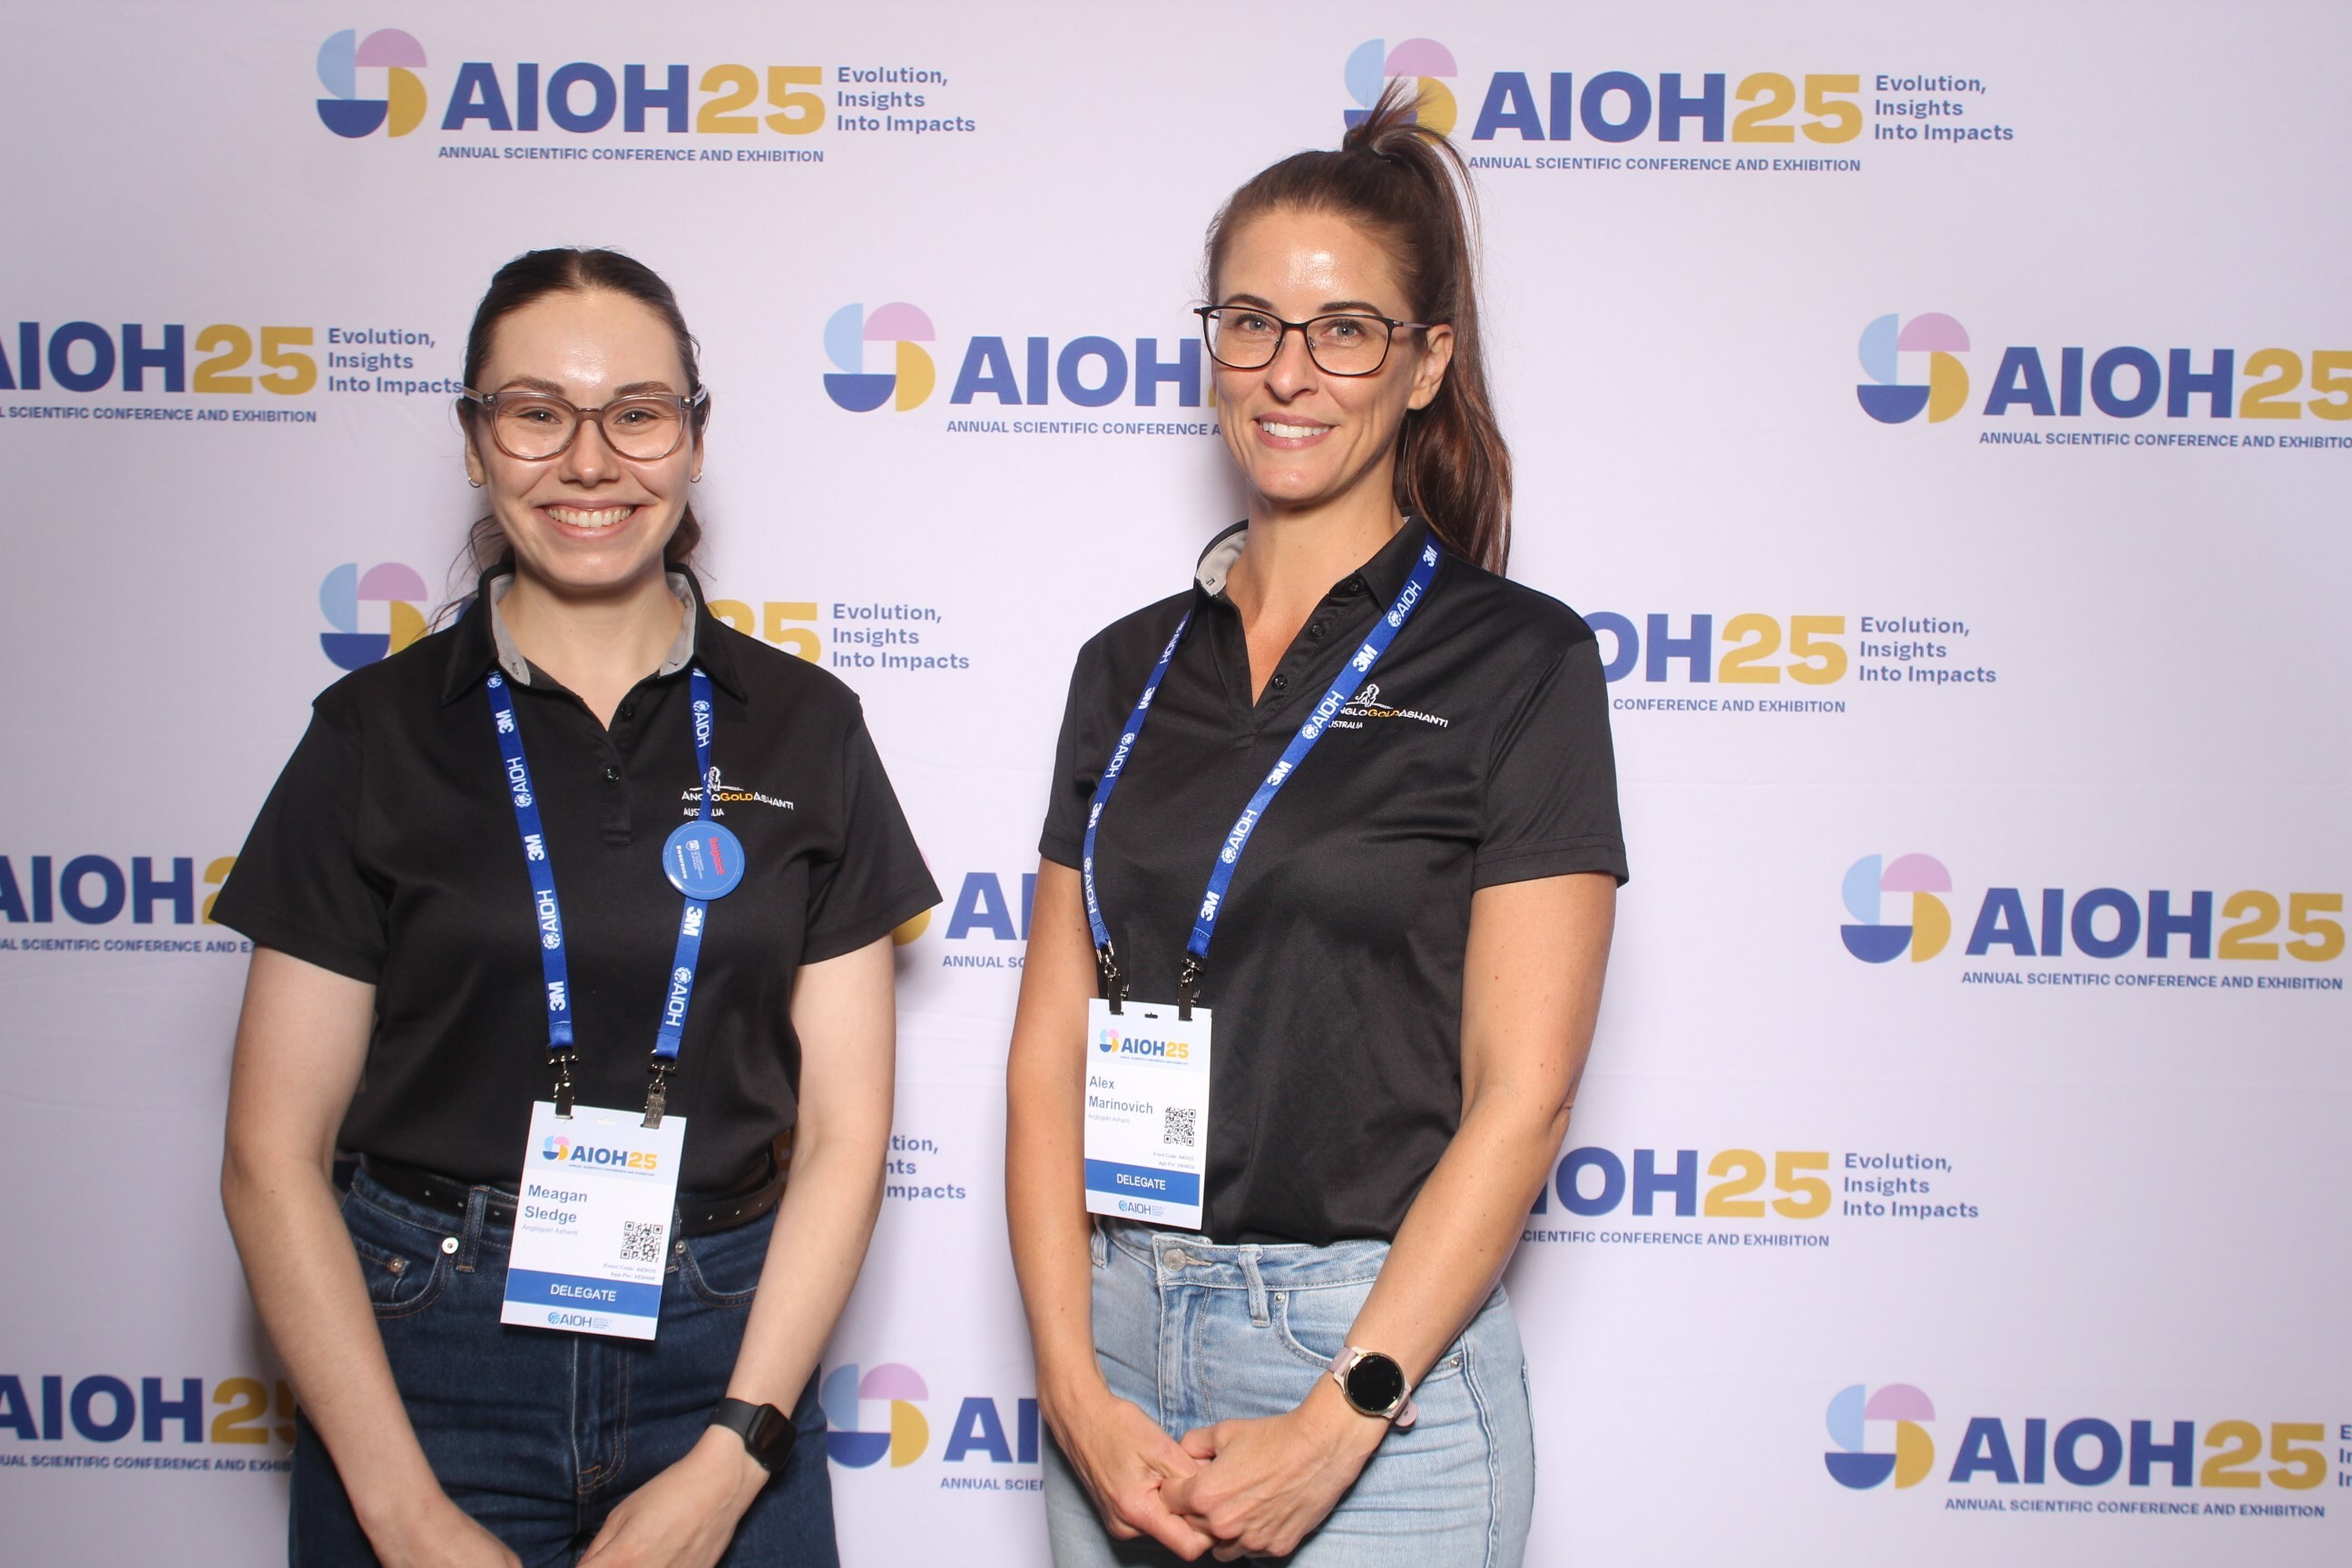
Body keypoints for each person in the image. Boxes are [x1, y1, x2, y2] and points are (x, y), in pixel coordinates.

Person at [216, 248, 936, 1568]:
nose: (590, 462)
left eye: (637, 414)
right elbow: (270, 1158)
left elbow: (844, 1136)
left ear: (696, 439)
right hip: (419, 1362)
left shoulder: (806, 725)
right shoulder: (371, 735)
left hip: (724, 1354)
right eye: (537, 413)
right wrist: (402, 1510)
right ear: (475, 442)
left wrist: (732, 1457)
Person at [1005, 85, 1626, 1565]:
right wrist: (1074, 1391)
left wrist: (1340, 1417)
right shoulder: (1124, 668)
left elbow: (1524, 1098)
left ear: (1425, 364)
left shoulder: (1518, 663)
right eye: (1250, 323)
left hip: (1370, 1369)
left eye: (1346, 329)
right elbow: (1045, 1060)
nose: (1289, 372)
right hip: (1118, 1355)